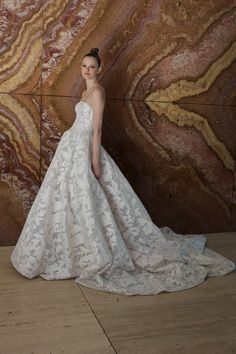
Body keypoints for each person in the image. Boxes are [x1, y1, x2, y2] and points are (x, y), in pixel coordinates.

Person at [11, 48, 235, 295]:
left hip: (84, 150)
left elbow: (96, 131)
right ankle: (70, 250)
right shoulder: (86, 91)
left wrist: (95, 163)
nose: (87, 70)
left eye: (92, 67)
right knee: (67, 200)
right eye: (84, 66)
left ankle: (91, 252)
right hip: (71, 150)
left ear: (99, 69)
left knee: (87, 199)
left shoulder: (97, 93)